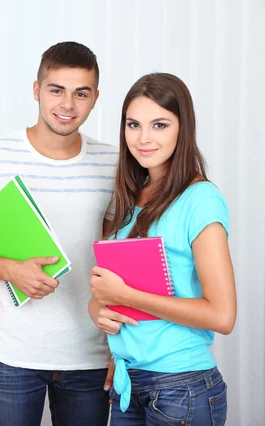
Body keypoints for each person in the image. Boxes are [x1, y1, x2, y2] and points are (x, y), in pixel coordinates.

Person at [0, 41, 117, 425]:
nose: (67, 104)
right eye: (56, 90)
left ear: (95, 98)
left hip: (89, 355)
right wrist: (12, 270)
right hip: (14, 355)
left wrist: (120, 350)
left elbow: (117, 253)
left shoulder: (114, 162)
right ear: (36, 89)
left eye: (81, 93)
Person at [88, 72, 236, 425]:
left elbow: (222, 316)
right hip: (128, 385)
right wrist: (99, 307)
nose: (143, 139)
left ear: (183, 129)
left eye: (159, 125)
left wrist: (127, 295)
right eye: (133, 124)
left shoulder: (200, 200)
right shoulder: (131, 198)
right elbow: (121, 293)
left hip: (180, 389)